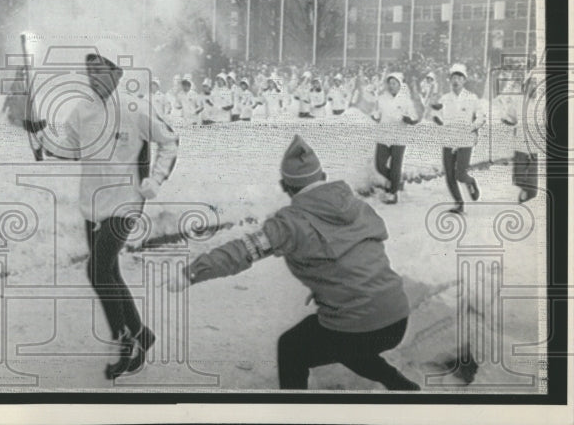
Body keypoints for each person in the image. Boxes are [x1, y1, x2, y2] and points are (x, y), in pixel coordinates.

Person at [166, 135, 419, 391]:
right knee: (341, 345)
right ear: (323, 176)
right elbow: (361, 252)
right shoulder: (357, 206)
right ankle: (401, 386)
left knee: (292, 348)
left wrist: (192, 273)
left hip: (357, 323)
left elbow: (242, 250)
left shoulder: (288, 225)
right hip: (397, 317)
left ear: (285, 186)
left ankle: (293, 411)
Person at [28, 40, 179, 379]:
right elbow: (69, 148)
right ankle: (142, 334)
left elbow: (170, 141)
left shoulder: (135, 108)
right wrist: (42, 139)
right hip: (92, 204)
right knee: (109, 271)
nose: (93, 78)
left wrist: (154, 180)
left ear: (117, 73)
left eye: (100, 71)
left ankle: (123, 340)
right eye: (89, 72)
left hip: (126, 201)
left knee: (97, 270)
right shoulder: (81, 111)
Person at [430, 64, 486, 214]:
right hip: (448, 139)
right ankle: (459, 204)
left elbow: (481, 117)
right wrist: (437, 119)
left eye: (459, 78)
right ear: (450, 80)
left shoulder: (472, 98)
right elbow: (435, 114)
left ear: (464, 80)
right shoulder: (445, 98)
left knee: (460, 174)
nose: (456, 81)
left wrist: (473, 127)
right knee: (449, 175)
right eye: (453, 78)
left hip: (465, 140)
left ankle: (470, 181)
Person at [371, 73, 419, 204]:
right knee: (379, 165)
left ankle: (393, 193)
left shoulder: (406, 101)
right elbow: (376, 113)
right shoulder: (381, 99)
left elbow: (414, 117)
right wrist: (375, 117)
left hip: (399, 137)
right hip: (383, 136)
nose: (391, 86)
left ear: (400, 85)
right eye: (390, 83)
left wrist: (409, 119)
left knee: (395, 166)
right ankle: (396, 182)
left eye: (394, 83)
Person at [499, 74, 538, 204]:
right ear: (525, 86)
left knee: (532, 184)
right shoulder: (518, 101)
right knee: (518, 178)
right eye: (531, 83)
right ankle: (524, 197)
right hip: (520, 144)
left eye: (536, 83)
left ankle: (527, 199)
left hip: (535, 147)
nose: (534, 85)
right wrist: (507, 120)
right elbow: (510, 117)